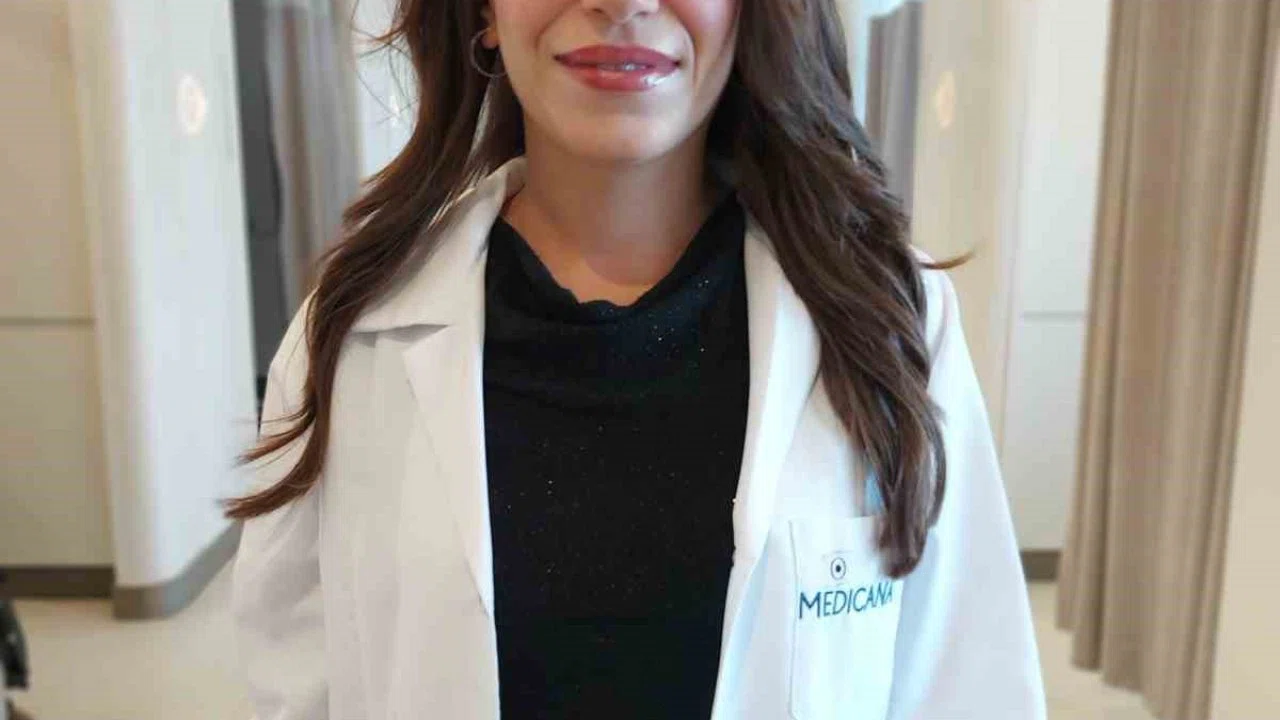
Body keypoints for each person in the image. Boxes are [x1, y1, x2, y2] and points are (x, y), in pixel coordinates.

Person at [229, 0, 1047, 718]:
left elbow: (970, 689)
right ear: (483, 11)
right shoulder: (351, 335)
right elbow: (297, 689)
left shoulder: (891, 321)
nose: (621, 3)